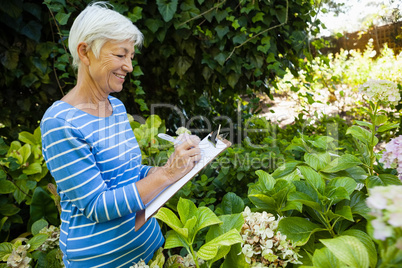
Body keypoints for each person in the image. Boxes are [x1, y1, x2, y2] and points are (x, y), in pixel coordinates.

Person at [40, 2, 201, 267]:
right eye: (120, 55)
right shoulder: (60, 123)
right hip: (103, 261)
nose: (128, 66)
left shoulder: (115, 107)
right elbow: (97, 205)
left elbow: (129, 174)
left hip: (150, 250)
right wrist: (167, 174)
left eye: (131, 57)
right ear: (85, 52)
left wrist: (178, 165)